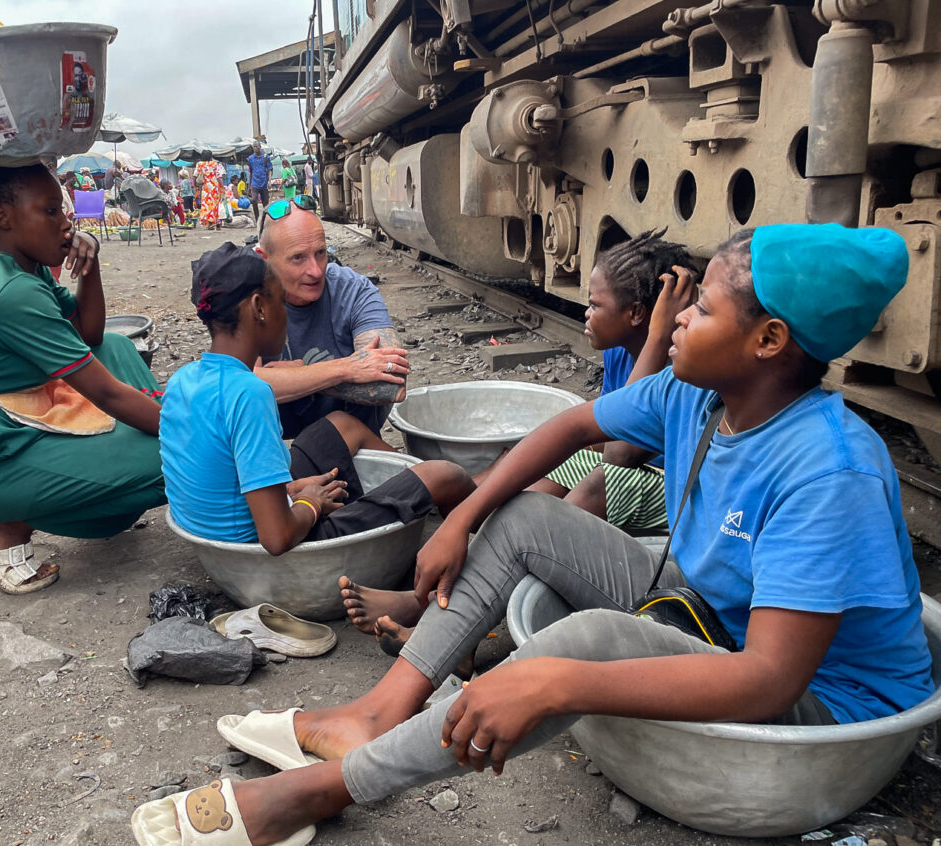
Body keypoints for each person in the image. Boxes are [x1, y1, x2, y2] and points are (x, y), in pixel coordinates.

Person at [130, 223, 935, 846]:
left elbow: (768, 681)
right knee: (520, 514)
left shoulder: (830, 470)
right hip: (708, 613)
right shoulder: (697, 393)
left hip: (822, 707)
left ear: (768, 342)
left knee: (578, 645)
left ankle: (322, 792)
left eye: (701, 309)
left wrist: (559, 682)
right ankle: (380, 711)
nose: (679, 319)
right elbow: (572, 428)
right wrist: (465, 521)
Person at [342, 230, 697, 641]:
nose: (586, 312)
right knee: (541, 471)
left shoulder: (676, 355)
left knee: (594, 485)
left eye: (596, 305)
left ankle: (439, 611)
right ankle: (459, 577)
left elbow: (619, 452)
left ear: (637, 314)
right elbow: (603, 436)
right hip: (635, 470)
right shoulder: (619, 350)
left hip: (675, 489)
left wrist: (656, 338)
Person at [0, 163, 166, 594]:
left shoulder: (9, 261)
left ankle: (131, 445)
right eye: (51, 211)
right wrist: (197, 431)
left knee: (118, 348)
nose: (66, 222)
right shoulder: (11, 293)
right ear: (3, 216)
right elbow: (107, 391)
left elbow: (90, 336)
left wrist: (89, 266)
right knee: (172, 461)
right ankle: (0, 523)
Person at [160, 243, 474, 555]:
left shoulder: (182, 379)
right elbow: (277, 537)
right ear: (259, 308)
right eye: (281, 302)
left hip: (228, 541)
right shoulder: (249, 393)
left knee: (342, 424)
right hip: (270, 553)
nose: (286, 315)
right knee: (444, 475)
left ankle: (420, 489)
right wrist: (311, 503)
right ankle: (474, 504)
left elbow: (222, 479)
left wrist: (293, 491)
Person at [255, 197, 408, 439]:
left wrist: (293, 376)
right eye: (298, 258)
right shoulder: (247, 298)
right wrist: (346, 369)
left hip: (356, 445)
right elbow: (237, 388)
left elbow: (390, 385)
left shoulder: (354, 290)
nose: (316, 271)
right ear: (265, 259)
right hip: (276, 458)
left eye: (321, 253)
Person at [246, 144, 272, 223]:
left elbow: (269, 170)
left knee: (265, 203)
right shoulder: (250, 159)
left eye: (257, 146)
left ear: (260, 147)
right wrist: (249, 185)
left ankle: (265, 219)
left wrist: (269, 181)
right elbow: (251, 172)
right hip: (255, 183)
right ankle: (257, 219)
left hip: (264, 183)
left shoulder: (265, 157)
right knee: (254, 200)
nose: (255, 148)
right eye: (254, 146)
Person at [195, 159, 225, 230]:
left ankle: (210, 223)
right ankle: (217, 223)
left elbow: (195, 175)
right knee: (216, 205)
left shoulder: (200, 164)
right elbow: (219, 176)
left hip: (206, 188)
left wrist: (195, 185)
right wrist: (222, 186)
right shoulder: (215, 164)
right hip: (215, 187)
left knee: (207, 205)